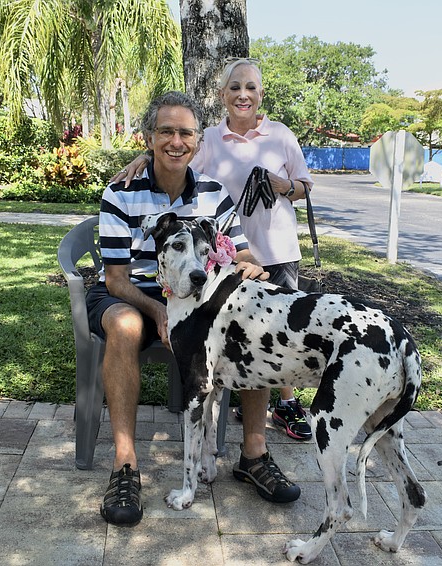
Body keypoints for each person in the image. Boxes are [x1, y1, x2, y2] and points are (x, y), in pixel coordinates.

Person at [88, 91, 300, 528]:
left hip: (196, 301)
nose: (175, 141)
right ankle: (125, 466)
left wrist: (249, 268)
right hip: (133, 295)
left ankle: (253, 454)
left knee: (249, 322)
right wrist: (158, 311)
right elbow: (116, 279)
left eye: (185, 132)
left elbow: (244, 255)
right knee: (126, 326)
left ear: (198, 141)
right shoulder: (121, 192)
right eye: (166, 131)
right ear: (149, 137)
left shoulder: (213, 195)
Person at [113, 58, 314, 442]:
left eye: (251, 87)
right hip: (211, 260)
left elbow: (305, 186)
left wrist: (281, 185)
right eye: (235, 87)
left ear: (260, 94)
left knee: (273, 331)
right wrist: (146, 157)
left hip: (265, 250)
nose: (243, 94)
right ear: (223, 95)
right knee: (247, 330)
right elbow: (175, 157)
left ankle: (274, 421)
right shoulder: (208, 140)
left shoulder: (281, 135)